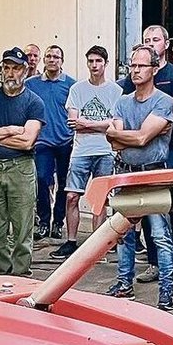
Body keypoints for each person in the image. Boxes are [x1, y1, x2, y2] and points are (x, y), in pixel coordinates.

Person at [122, 25, 173, 288]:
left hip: (170, 151)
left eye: (155, 39)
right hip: (137, 158)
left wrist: (141, 129)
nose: (151, 43)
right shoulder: (130, 80)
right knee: (144, 210)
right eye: (146, 40)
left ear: (165, 43)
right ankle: (154, 264)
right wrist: (140, 129)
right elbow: (119, 120)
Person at [104, 44, 173, 311]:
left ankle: (166, 292)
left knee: (159, 235)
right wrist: (127, 137)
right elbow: (115, 143)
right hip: (125, 171)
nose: (134, 70)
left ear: (154, 68)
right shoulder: (123, 101)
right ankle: (124, 285)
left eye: (141, 66)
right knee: (123, 233)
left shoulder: (163, 101)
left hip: (153, 172)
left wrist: (122, 135)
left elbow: (142, 137)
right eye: (132, 65)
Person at [0, 48, 45, 276]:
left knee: (23, 224)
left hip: (20, 168)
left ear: (25, 71)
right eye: (6, 68)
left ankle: (21, 273)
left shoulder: (34, 102)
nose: (10, 73)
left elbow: (26, 142)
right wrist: (9, 130)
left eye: (15, 68)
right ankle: (2, 270)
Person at [55, 45, 121, 260]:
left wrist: (87, 123)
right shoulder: (77, 89)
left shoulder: (115, 91)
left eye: (98, 61)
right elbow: (74, 123)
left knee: (100, 200)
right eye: (91, 61)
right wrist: (99, 124)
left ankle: (97, 245)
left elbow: (114, 125)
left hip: (105, 150)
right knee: (72, 196)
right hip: (81, 151)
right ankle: (71, 241)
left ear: (106, 64)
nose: (94, 65)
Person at [26, 45, 76, 241]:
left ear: (62, 61)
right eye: (49, 56)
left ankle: (58, 222)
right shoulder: (31, 84)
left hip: (65, 141)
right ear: (43, 60)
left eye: (56, 56)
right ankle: (44, 221)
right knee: (42, 179)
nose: (52, 60)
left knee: (64, 183)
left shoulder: (71, 85)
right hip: (42, 142)